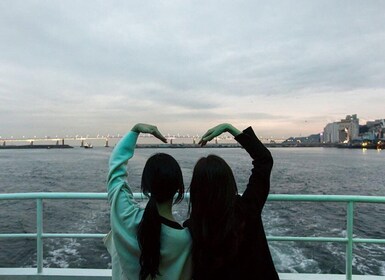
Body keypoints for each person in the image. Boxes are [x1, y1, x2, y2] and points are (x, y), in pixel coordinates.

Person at [185, 123, 279, 280]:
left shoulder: (192, 228)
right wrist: (229, 128)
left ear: (196, 190)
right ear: (229, 182)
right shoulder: (248, 209)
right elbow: (264, 160)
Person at [104, 123, 192, 280]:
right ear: (179, 189)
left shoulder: (126, 217)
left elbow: (115, 170)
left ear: (145, 187)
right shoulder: (186, 240)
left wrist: (135, 130)